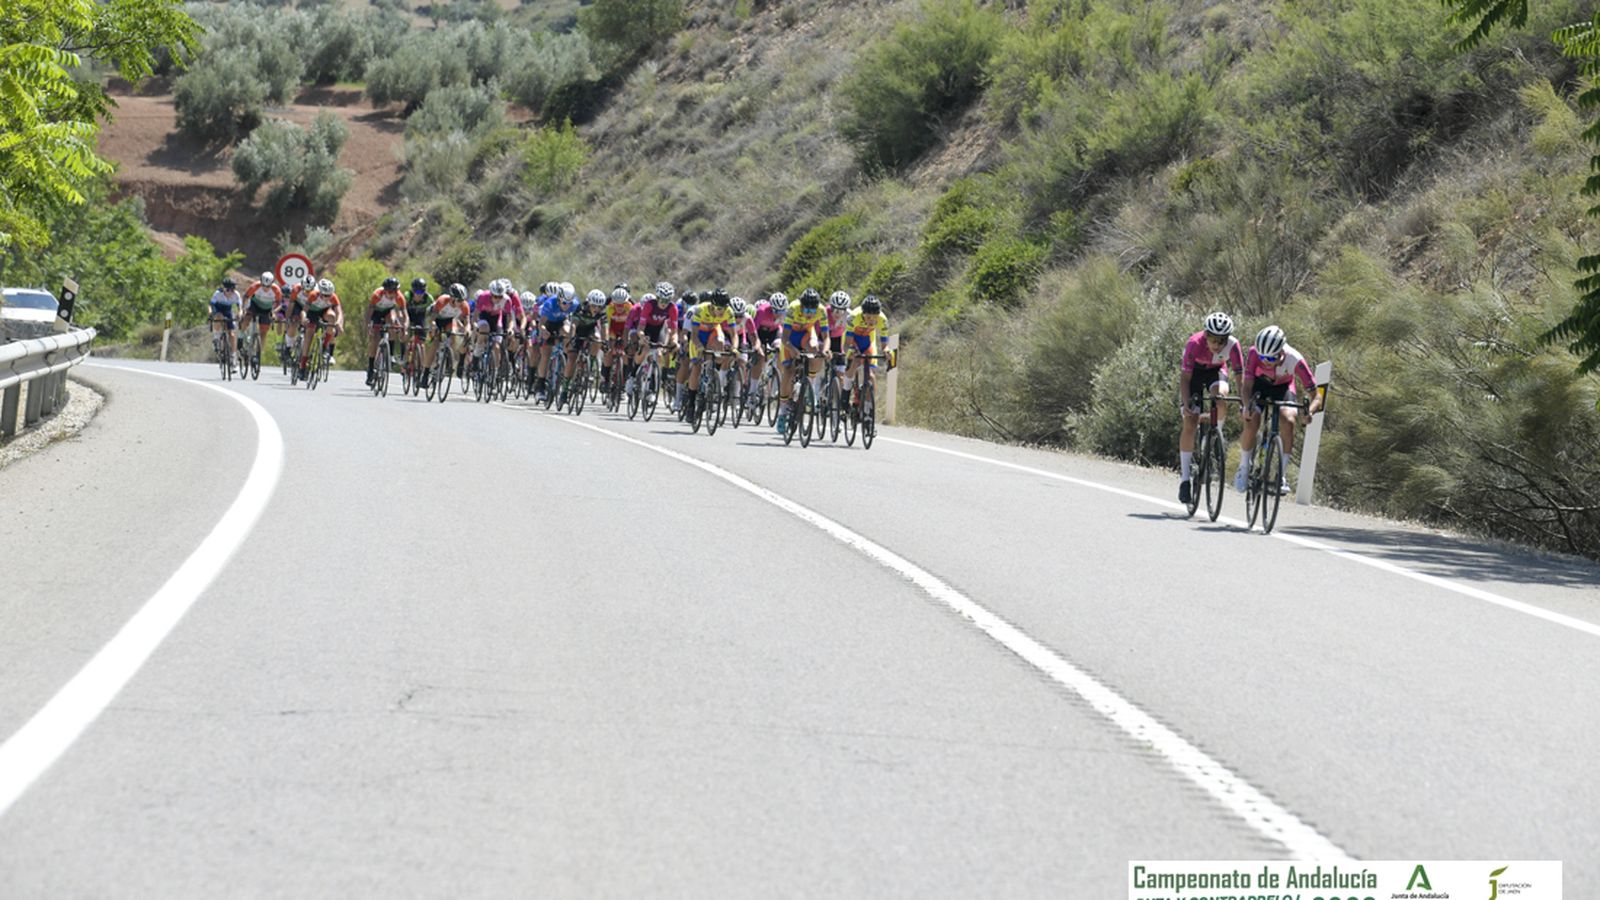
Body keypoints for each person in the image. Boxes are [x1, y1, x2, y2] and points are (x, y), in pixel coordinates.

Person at [1236, 325, 1323, 494]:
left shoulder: (1295, 360)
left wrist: (1310, 412)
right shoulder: (1254, 353)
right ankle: (1244, 468)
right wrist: (1246, 406)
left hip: (1283, 388)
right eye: (1263, 357)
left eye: (1272, 358)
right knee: (1251, 420)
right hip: (1259, 387)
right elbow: (1246, 387)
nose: (1266, 361)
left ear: (1282, 351)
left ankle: (1281, 474)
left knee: (1288, 420)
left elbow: (1317, 395)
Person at [1177, 311, 1244, 505]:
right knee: (1190, 422)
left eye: (1221, 341)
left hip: (1216, 372)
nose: (1216, 345)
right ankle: (1184, 480)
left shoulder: (1234, 346)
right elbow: (1185, 379)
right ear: (1206, 335)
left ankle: (1215, 433)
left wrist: (1243, 402)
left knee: (1220, 397)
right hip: (1194, 376)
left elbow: (1240, 377)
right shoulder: (1194, 344)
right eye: (1213, 339)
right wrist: (1186, 403)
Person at [775, 288, 828, 434]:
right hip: (790, 338)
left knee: (816, 350)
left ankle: (809, 387)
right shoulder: (793, 308)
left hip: (806, 334)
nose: (810, 313)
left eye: (813, 310)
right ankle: (783, 411)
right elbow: (784, 338)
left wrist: (825, 350)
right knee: (789, 371)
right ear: (801, 305)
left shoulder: (821, 310)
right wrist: (793, 350)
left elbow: (826, 336)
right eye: (807, 309)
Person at [366, 277, 408, 386]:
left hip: (388, 312)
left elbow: (405, 315)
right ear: (385, 290)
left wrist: (405, 326)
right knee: (374, 340)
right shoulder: (377, 295)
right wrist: (368, 326)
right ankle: (370, 369)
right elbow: (369, 312)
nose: (393, 294)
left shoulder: (399, 297)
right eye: (390, 291)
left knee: (393, 324)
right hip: (376, 314)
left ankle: (391, 355)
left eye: (395, 291)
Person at [298, 279, 344, 376]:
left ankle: (324, 347)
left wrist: (339, 323)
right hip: (312, 313)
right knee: (308, 337)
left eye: (329, 295)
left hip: (324, 312)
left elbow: (339, 312)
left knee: (332, 317)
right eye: (325, 295)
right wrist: (303, 319)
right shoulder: (313, 295)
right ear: (320, 293)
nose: (327, 298)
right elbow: (304, 310)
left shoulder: (333, 297)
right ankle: (302, 366)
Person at [208, 277, 244, 371]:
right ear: (224, 289)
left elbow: (240, 308)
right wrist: (210, 313)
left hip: (228, 310)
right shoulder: (217, 294)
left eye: (232, 290)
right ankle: (216, 338)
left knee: (232, 334)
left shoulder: (236, 295)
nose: (230, 292)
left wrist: (240, 314)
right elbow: (210, 305)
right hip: (218, 309)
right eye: (228, 290)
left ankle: (233, 357)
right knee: (218, 317)